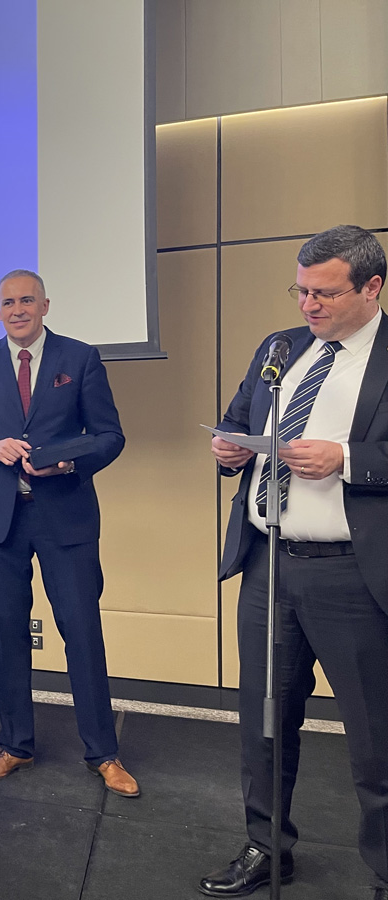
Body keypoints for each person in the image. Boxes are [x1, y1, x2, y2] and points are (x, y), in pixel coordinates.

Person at [201, 224, 388, 900]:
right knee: (265, 722)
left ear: (371, 287)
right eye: (301, 290)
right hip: (268, 566)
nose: (308, 305)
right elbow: (237, 418)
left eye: (324, 293)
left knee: (374, 740)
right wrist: (230, 449)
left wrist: (350, 460)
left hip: (352, 575)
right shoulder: (280, 348)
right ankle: (266, 847)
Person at [0, 269, 138, 797]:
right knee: (7, 633)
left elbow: (109, 436)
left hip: (65, 516)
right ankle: (14, 745)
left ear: (45, 305)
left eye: (27, 300)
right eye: (8, 303)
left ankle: (104, 753)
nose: (18, 310)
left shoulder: (81, 358)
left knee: (82, 631)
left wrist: (69, 463)